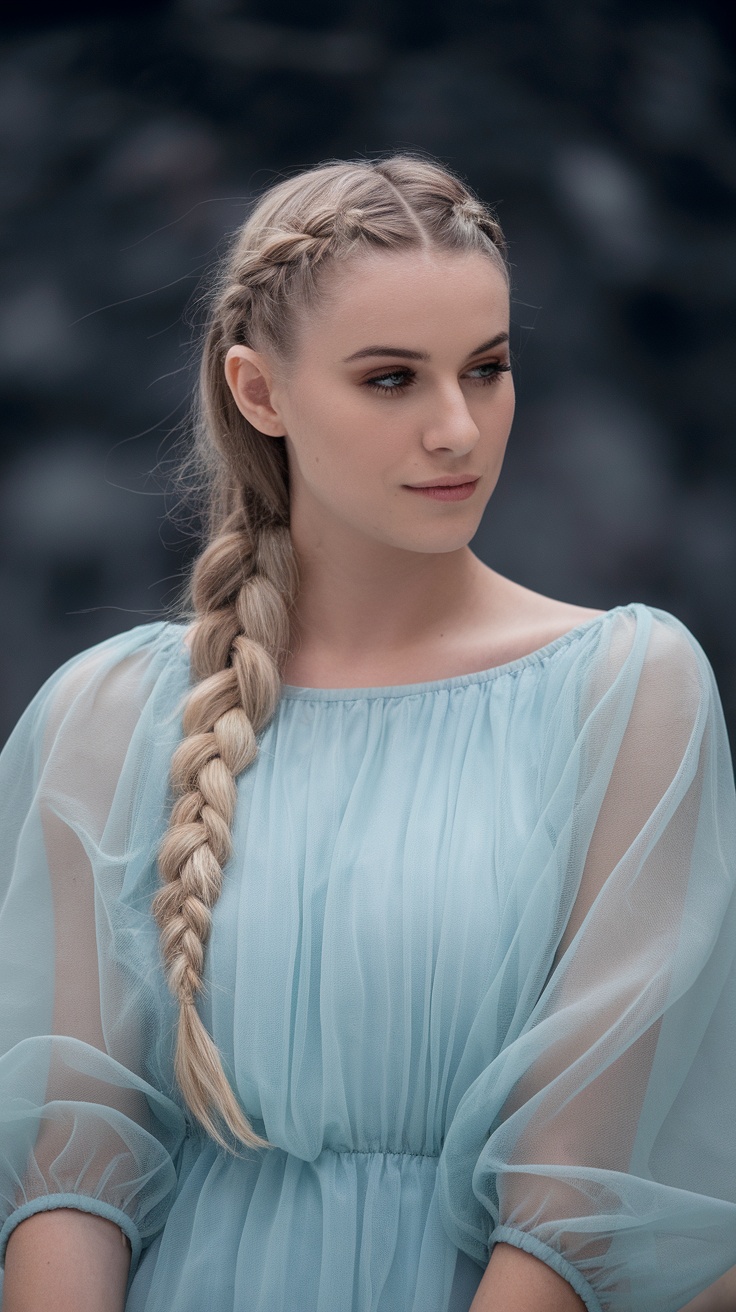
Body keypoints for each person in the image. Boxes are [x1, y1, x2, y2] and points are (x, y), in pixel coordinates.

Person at [0, 153, 735, 1312]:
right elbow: (71, 1170)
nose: (458, 428)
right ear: (259, 392)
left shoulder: (627, 686)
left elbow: (569, 1198)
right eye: (391, 379)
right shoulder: (103, 714)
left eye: (486, 370)